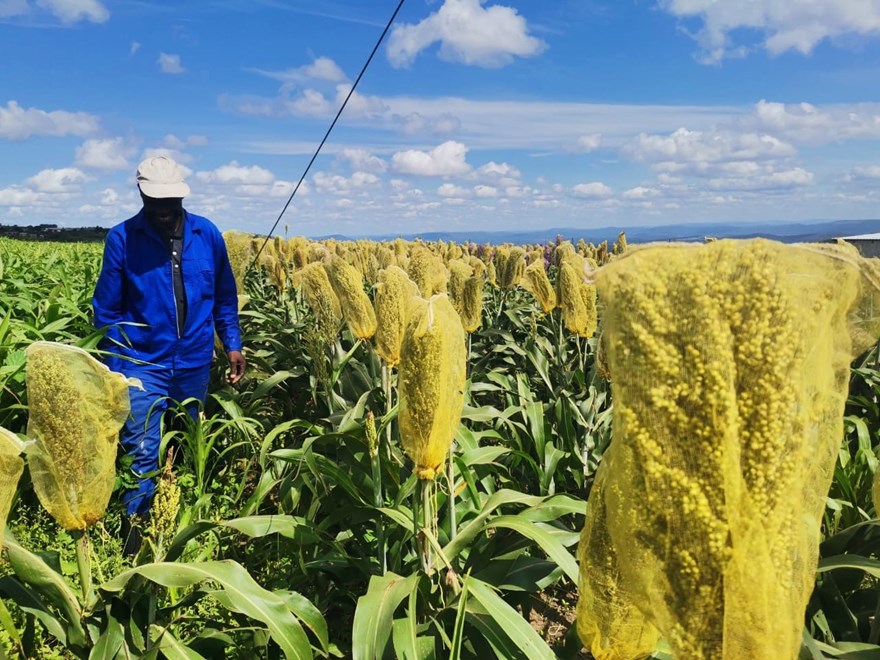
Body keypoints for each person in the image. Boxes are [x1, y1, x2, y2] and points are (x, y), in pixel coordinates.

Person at [92, 155, 246, 553]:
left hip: (194, 363)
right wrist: (117, 369)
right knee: (142, 453)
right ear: (141, 194)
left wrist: (231, 344)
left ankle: (183, 534)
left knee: (187, 444)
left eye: (169, 202)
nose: (162, 211)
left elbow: (225, 297)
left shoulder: (207, 234)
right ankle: (136, 546)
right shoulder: (123, 239)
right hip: (143, 365)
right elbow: (106, 313)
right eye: (154, 201)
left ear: (181, 195)